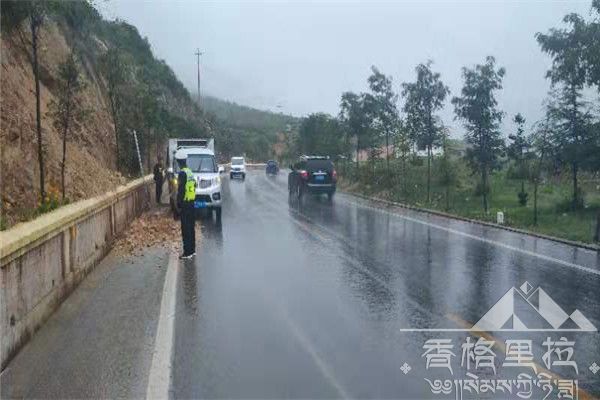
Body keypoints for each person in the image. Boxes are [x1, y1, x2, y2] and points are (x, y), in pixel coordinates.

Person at [175, 150, 196, 259]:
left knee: (186, 228)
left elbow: (181, 190)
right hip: (192, 202)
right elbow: (194, 186)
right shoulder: (190, 172)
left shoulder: (182, 173)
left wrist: (178, 205)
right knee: (191, 227)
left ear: (178, 162)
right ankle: (192, 250)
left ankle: (187, 252)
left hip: (185, 203)